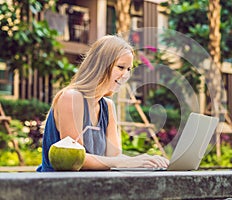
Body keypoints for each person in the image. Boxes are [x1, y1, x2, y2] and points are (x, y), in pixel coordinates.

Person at [37, 35, 169, 172]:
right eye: (121, 67)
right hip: (59, 187)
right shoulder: (71, 98)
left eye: (129, 69)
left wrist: (145, 161)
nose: (126, 75)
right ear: (100, 65)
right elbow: (75, 159)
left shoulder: (108, 107)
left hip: (94, 186)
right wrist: (126, 162)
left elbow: (114, 157)